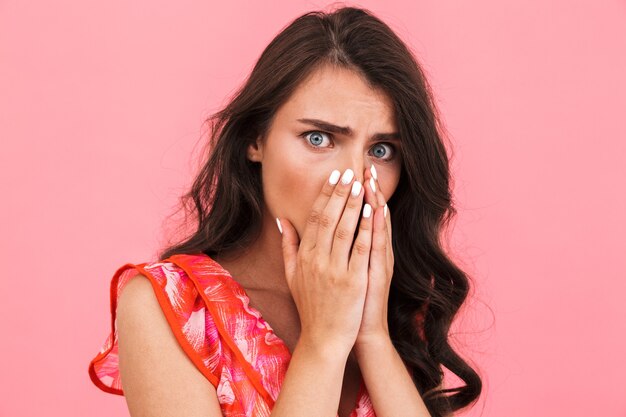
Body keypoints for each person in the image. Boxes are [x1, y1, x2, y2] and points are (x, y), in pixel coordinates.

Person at [88, 5, 482, 417]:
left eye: (381, 151)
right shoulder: (169, 307)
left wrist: (373, 336)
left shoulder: (397, 306)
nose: (352, 177)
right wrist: (322, 344)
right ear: (255, 139)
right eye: (318, 138)